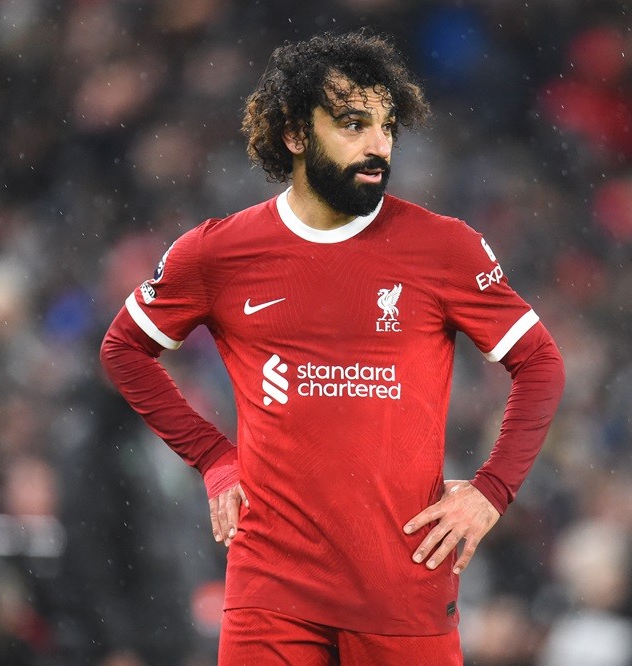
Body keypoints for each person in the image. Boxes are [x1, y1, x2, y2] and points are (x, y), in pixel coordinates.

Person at [99, 30, 565, 665]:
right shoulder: (216, 253)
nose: (379, 146)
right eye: (353, 124)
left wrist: (491, 491)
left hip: (403, 587)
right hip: (271, 591)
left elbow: (540, 363)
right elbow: (124, 350)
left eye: (387, 126)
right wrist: (213, 458)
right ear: (294, 133)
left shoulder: (445, 249)